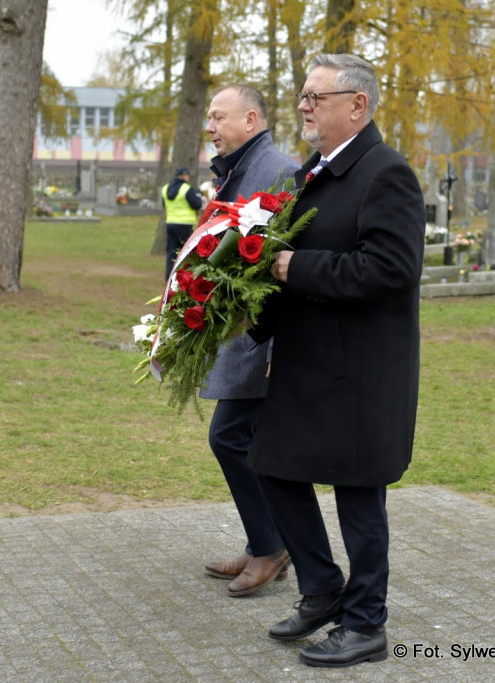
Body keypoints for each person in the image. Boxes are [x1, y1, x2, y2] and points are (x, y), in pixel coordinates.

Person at [247, 54, 425, 667]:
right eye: (302, 96)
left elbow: (393, 269)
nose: (303, 106)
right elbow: (276, 261)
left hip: (360, 374)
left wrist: (300, 268)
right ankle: (323, 589)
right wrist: (251, 314)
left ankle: (366, 623)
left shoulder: (386, 173)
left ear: (358, 105)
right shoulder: (308, 176)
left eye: (315, 97)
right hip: (304, 364)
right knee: (271, 464)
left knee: (358, 498)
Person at [199, 84, 300, 597]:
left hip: (262, 342)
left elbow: (283, 266)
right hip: (239, 338)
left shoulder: (278, 170)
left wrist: (276, 351)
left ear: (251, 118)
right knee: (244, 441)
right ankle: (265, 541)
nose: (211, 127)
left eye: (219, 117)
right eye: (209, 119)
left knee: (230, 438)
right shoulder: (237, 169)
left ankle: (272, 546)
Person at [161, 166, 204, 278]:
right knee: (186, 252)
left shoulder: (165, 188)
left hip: (170, 222)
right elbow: (197, 205)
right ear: (184, 175)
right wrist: (198, 196)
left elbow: (164, 205)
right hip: (185, 224)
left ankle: (169, 276)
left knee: (171, 251)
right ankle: (185, 276)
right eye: (188, 175)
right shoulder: (186, 188)